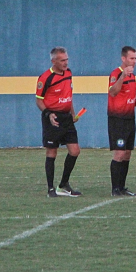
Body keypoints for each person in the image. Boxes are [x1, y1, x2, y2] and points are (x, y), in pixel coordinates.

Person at [37, 47, 83, 197]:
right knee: (52, 152)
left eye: (67, 59)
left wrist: (73, 114)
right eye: (62, 60)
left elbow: (68, 96)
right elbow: (39, 100)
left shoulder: (68, 73)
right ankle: (51, 189)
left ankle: (63, 185)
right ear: (53, 61)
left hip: (67, 118)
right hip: (53, 118)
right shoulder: (45, 78)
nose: (66, 63)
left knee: (75, 150)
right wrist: (48, 114)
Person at [108, 45, 136, 196]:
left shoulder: (133, 76)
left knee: (127, 154)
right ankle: (115, 189)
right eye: (131, 58)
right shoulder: (116, 73)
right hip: (117, 119)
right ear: (123, 58)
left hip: (130, 118)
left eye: (135, 58)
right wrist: (122, 76)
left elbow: (129, 98)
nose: (134, 61)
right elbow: (113, 92)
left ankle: (121, 187)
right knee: (119, 154)